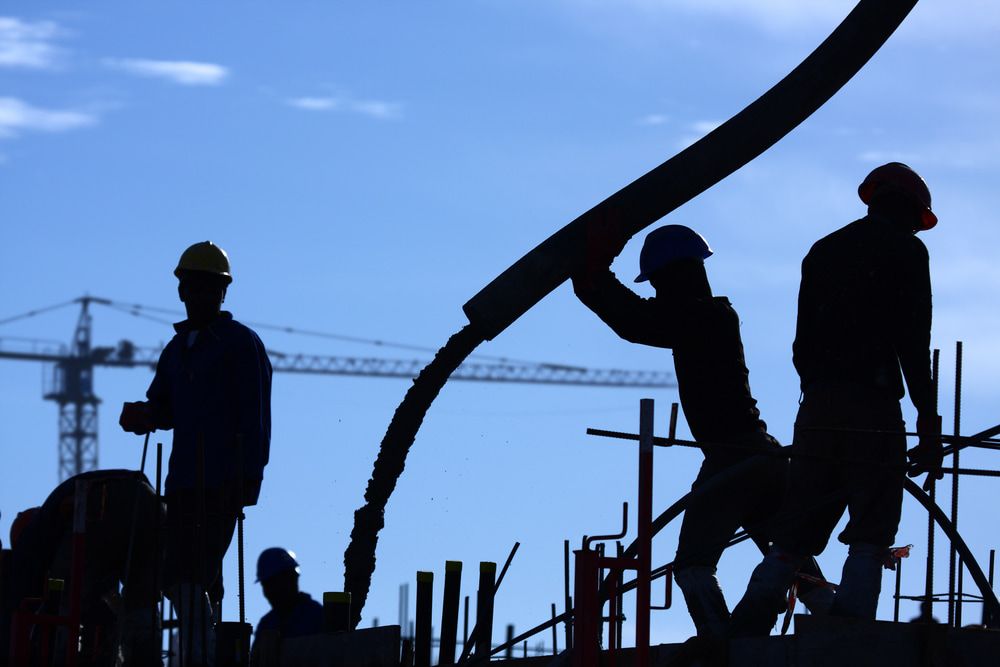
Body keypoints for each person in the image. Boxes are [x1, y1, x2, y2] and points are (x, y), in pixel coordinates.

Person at [572, 224, 830, 640]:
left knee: (693, 564)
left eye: (658, 282)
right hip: (762, 457)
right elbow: (640, 320)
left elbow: (637, 322)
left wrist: (594, 278)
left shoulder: (703, 318)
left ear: (673, 276)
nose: (656, 292)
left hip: (734, 457)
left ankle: (721, 643)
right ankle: (834, 620)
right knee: (787, 552)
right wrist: (592, 283)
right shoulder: (710, 317)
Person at [729, 162, 943, 635]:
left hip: (819, 407)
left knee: (797, 522)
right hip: (873, 405)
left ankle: (746, 625)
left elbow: (800, 346)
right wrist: (927, 418)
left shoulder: (823, 251)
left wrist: (822, 396)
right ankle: (851, 633)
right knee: (872, 523)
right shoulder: (906, 251)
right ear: (908, 210)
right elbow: (913, 339)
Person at [120, 241, 272, 666]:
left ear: (223, 293)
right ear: (182, 291)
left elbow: (256, 417)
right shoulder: (177, 350)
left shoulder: (241, 345)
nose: (200, 295)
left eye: (209, 288)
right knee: (179, 576)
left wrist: (247, 483)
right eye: (193, 287)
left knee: (192, 574)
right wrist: (144, 415)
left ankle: (201, 658)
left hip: (222, 481)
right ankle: (200, 651)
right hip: (183, 482)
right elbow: (165, 406)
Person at [249, 548, 323, 666]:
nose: (269, 592)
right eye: (266, 586)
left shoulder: (316, 616)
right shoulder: (267, 623)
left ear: (291, 580)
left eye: (272, 584)